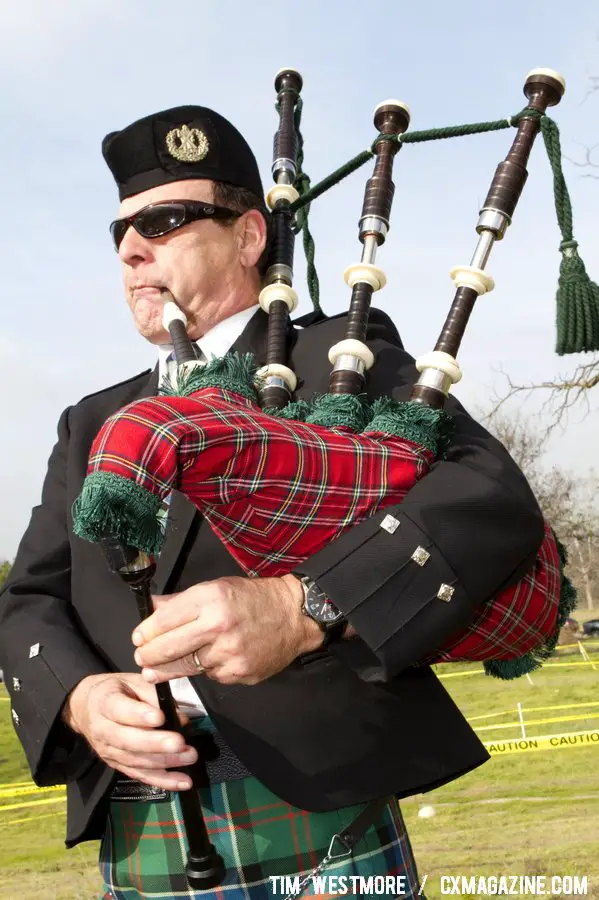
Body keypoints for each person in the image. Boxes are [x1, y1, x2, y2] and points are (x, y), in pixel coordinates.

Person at [0, 105, 545, 900]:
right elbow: (30, 600)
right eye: (120, 231)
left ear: (250, 237)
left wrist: (304, 607)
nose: (130, 248)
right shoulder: (91, 422)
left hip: (320, 811)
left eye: (167, 219)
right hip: (145, 822)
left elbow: (488, 499)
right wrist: (79, 698)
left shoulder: (340, 361)